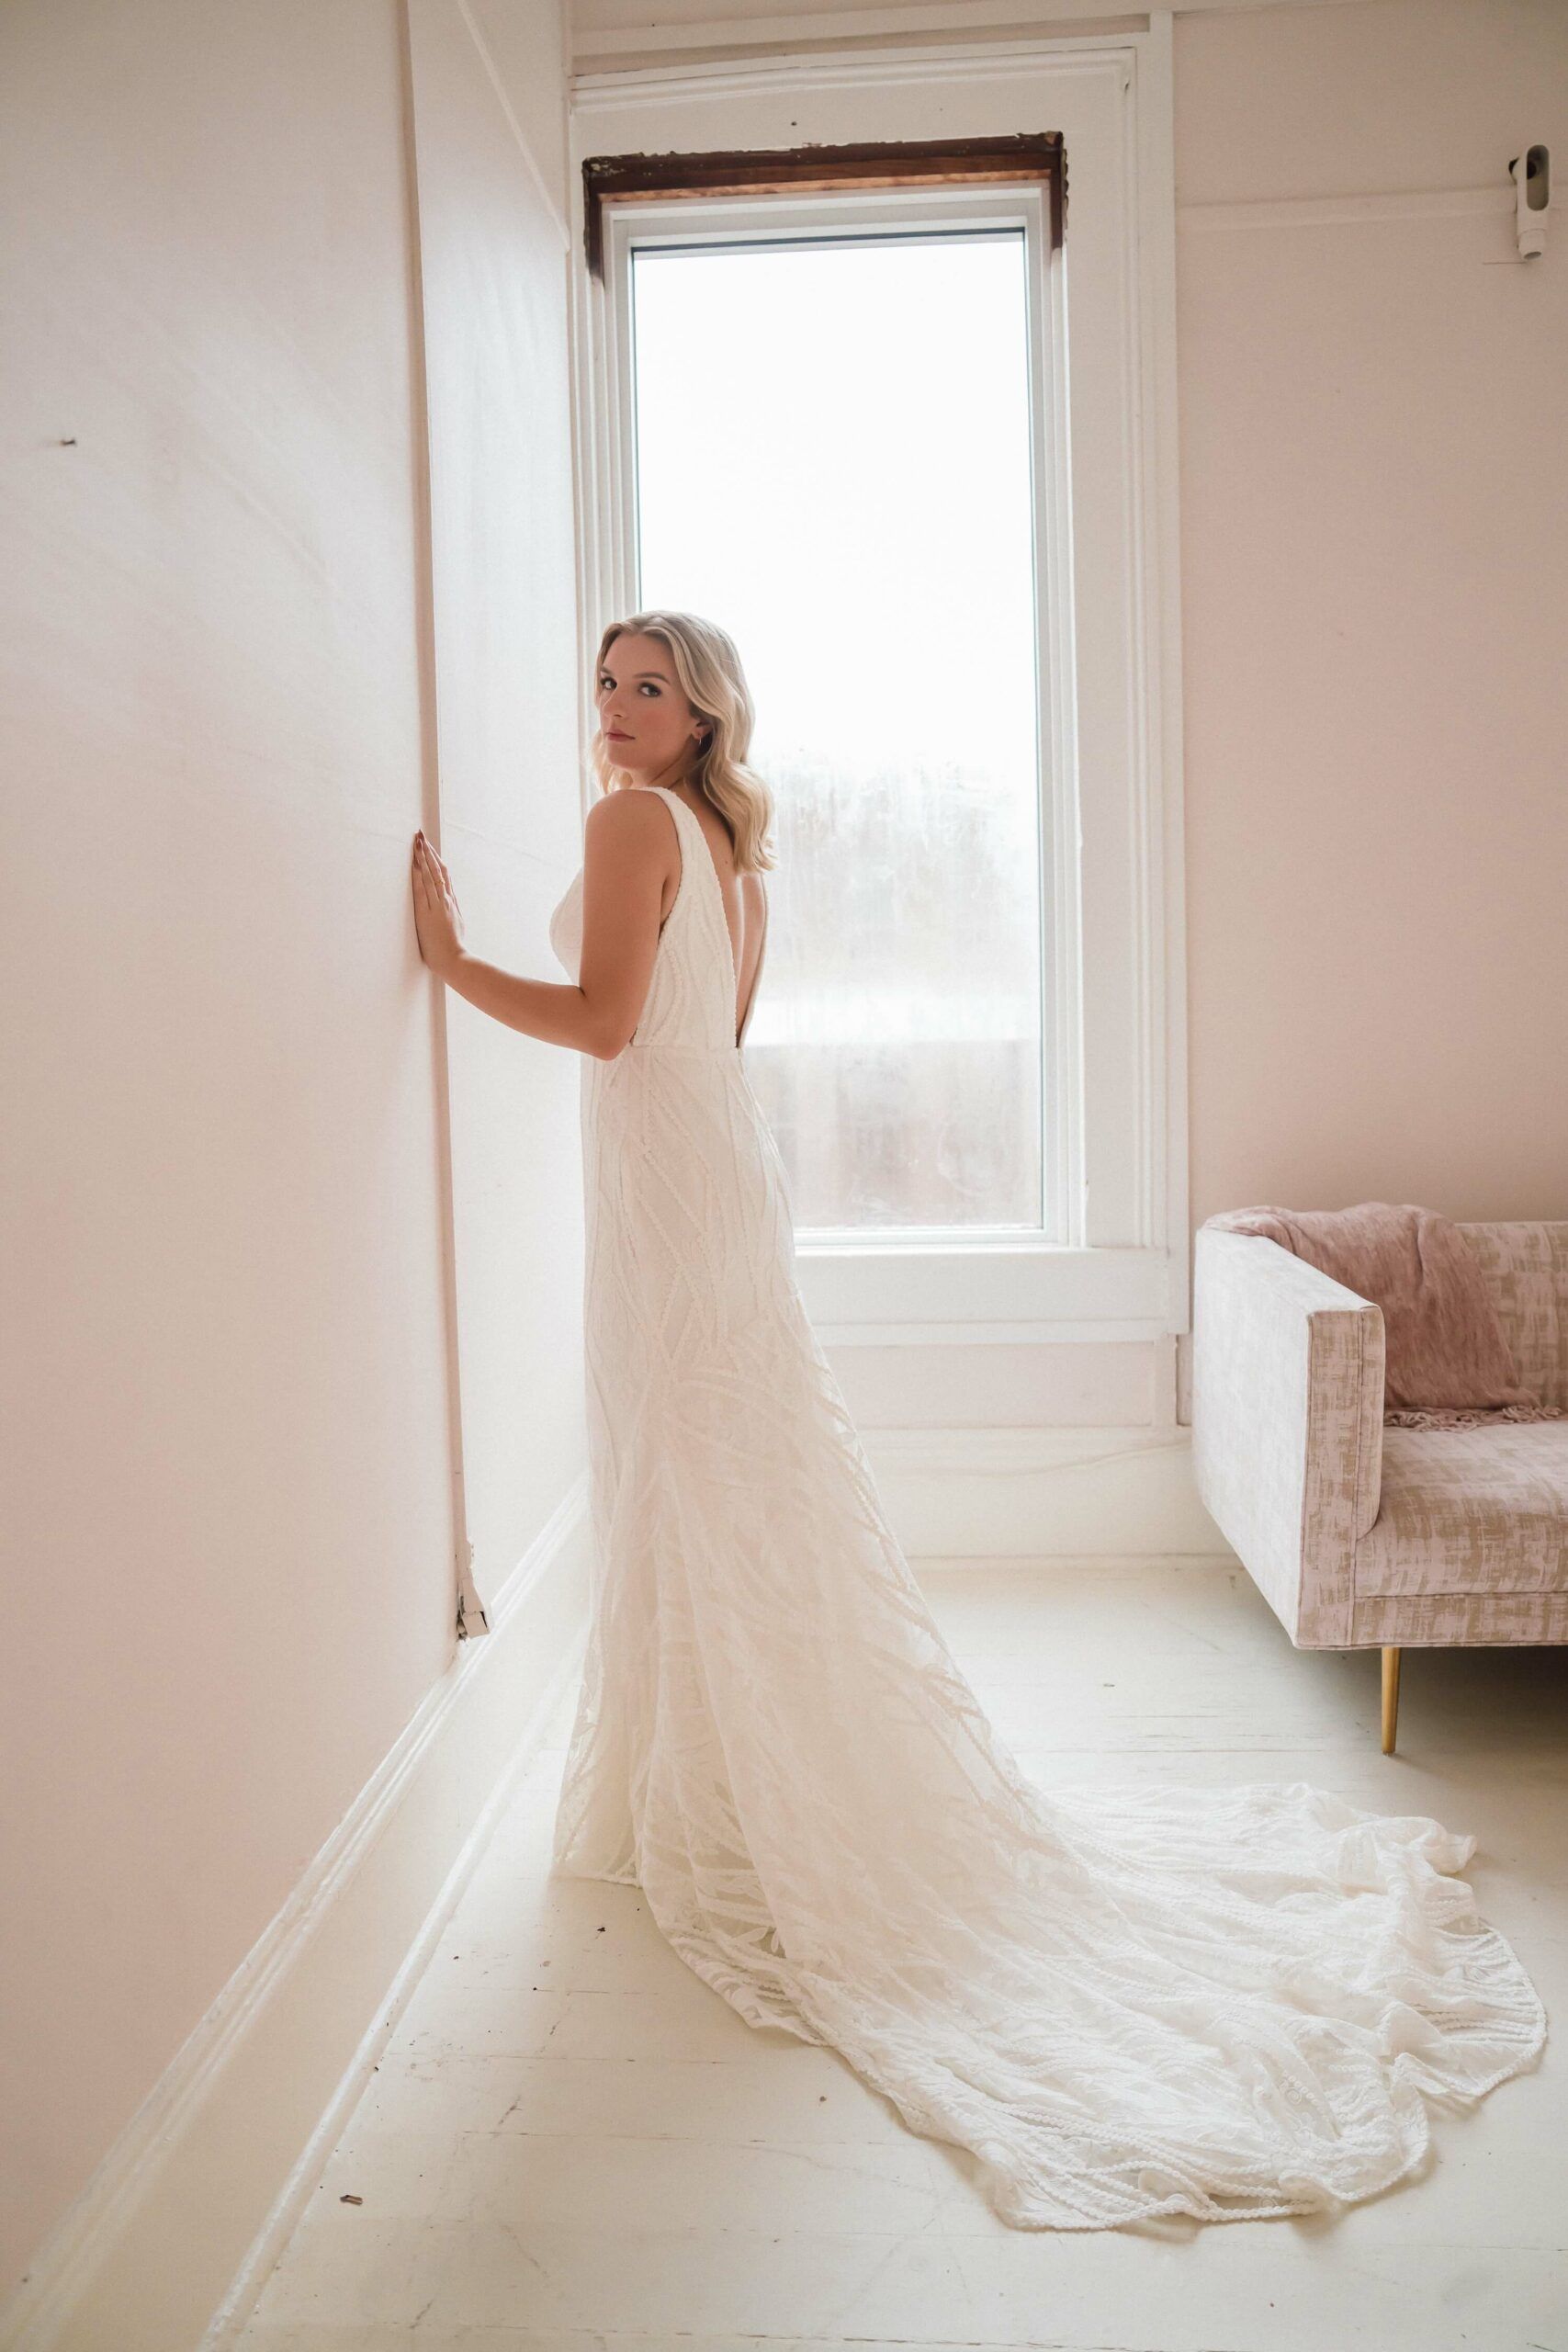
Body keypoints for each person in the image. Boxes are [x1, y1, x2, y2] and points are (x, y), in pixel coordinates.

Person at [410, 608, 1546, 2233]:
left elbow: (606, 1030)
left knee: (692, 1466)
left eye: (646, 687)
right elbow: (706, 1043)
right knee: (732, 1472)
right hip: (718, 1178)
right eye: (604, 680)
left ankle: (728, 1781)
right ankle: (721, 1767)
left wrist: (450, 968)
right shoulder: (738, 852)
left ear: (703, 712)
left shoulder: (627, 820)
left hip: (668, 1193)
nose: (613, 706)